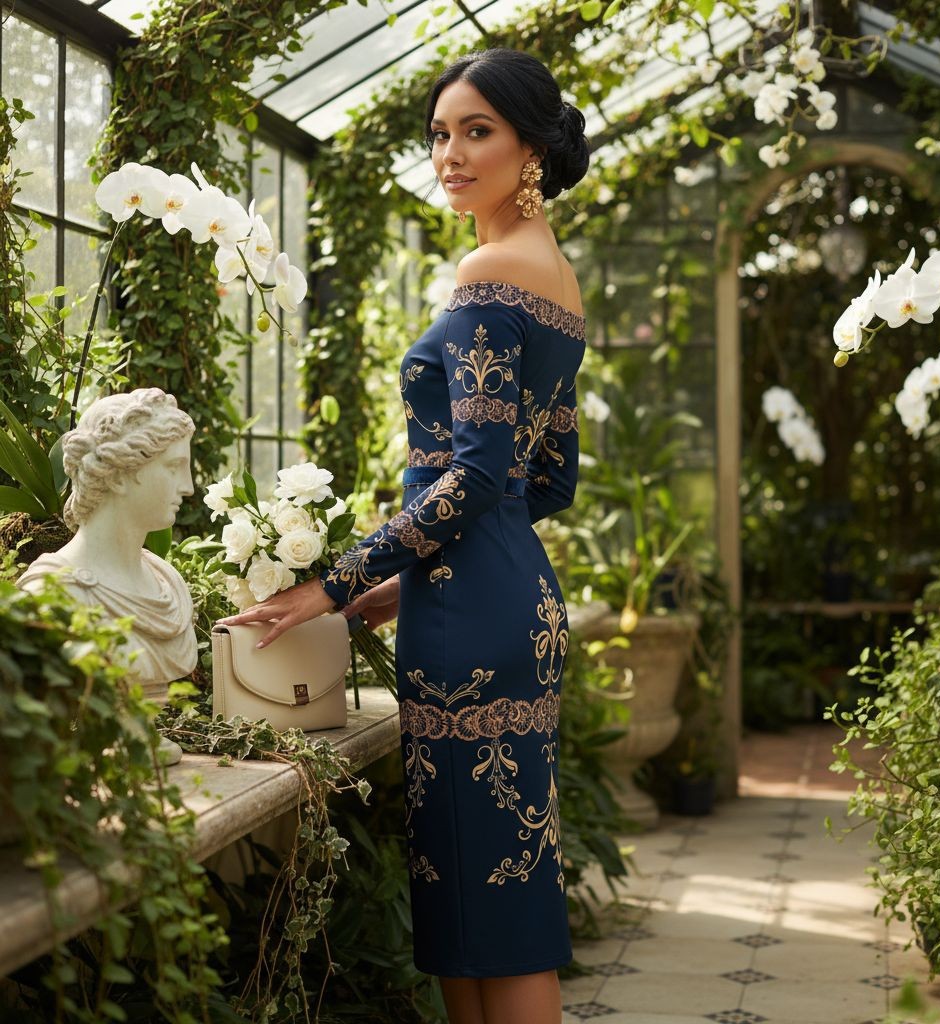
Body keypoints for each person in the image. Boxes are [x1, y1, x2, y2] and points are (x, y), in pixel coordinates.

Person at [218, 47, 589, 1024]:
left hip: (470, 625)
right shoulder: (558, 278)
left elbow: (475, 474)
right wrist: (408, 576)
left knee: (489, 906)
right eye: (440, 133)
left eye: (478, 132)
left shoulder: (488, 271)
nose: (451, 153)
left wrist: (331, 585)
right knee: (481, 892)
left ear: (532, 148)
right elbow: (547, 478)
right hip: (510, 607)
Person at [19, 388, 198, 763]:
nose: (188, 486)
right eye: (172, 467)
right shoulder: (53, 593)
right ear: (117, 475)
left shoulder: (169, 584)